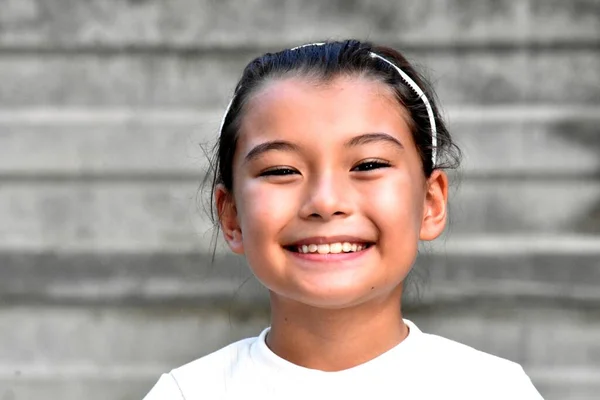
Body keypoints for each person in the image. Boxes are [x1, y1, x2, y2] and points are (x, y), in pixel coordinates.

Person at [144, 40, 544, 399]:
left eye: (368, 164)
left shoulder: (492, 389)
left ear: (431, 201)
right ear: (231, 216)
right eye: (281, 170)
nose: (326, 201)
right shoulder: (188, 393)